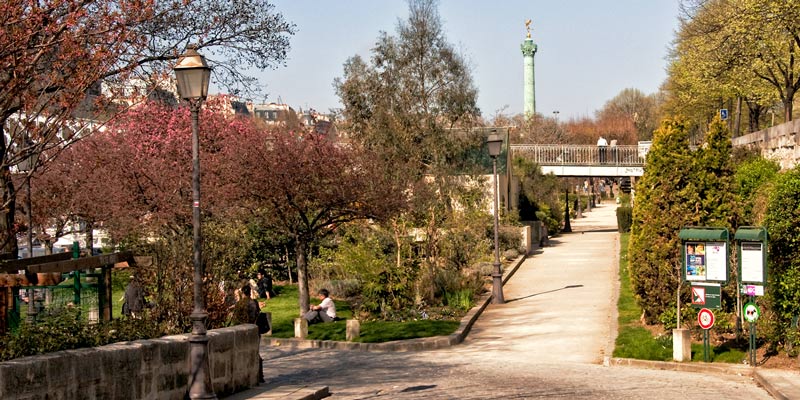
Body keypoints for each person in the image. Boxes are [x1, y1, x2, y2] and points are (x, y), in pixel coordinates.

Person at [231, 285, 265, 383]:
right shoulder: (254, 302)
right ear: (250, 292)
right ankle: (259, 376)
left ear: (242, 293)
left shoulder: (239, 304)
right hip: (253, 330)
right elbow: (256, 315)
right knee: (255, 352)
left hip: (241, 330)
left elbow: (235, 318)